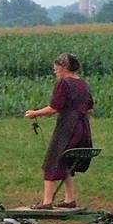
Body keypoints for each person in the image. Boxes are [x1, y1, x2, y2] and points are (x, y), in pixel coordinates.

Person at [24, 52, 94, 209]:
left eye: (56, 68)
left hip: (68, 129)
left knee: (52, 161)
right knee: (68, 161)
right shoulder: (82, 83)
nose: (55, 71)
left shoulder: (64, 83)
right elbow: (90, 108)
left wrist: (34, 113)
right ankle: (69, 200)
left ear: (64, 68)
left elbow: (53, 108)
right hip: (83, 130)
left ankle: (47, 202)